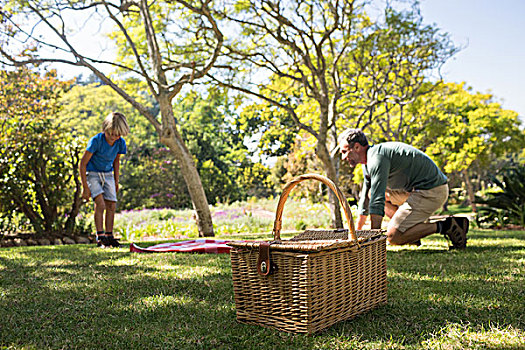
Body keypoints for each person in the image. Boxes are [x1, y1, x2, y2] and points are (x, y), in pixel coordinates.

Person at [338, 128, 468, 249]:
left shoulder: (377, 158)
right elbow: (366, 200)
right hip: (414, 191)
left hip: (432, 190)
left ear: (357, 147)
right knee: (371, 194)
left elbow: (377, 201)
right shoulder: (367, 163)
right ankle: (411, 234)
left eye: (344, 152)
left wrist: (373, 241)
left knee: (392, 237)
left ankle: (447, 225)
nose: (343, 158)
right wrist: (357, 235)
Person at [79, 112, 129, 248]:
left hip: (108, 174)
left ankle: (109, 236)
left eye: (117, 135)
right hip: (93, 173)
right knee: (100, 204)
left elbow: (116, 162)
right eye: (110, 134)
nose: (113, 138)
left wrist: (116, 181)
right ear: (105, 129)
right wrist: (85, 187)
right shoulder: (96, 141)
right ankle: (100, 236)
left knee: (112, 205)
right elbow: (83, 164)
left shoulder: (120, 143)